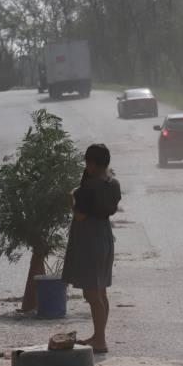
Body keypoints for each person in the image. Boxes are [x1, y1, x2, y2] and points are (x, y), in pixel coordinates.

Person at [61, 144, 121, 353]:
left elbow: (80, 216)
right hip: (104, 235)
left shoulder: (88, 188)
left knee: (91, 294)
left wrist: (71, 199)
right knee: (101, 290)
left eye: (88, 162)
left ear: (92, 164)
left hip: (89, 239)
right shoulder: (113, 183)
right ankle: (98, 336)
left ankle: (100, 340)